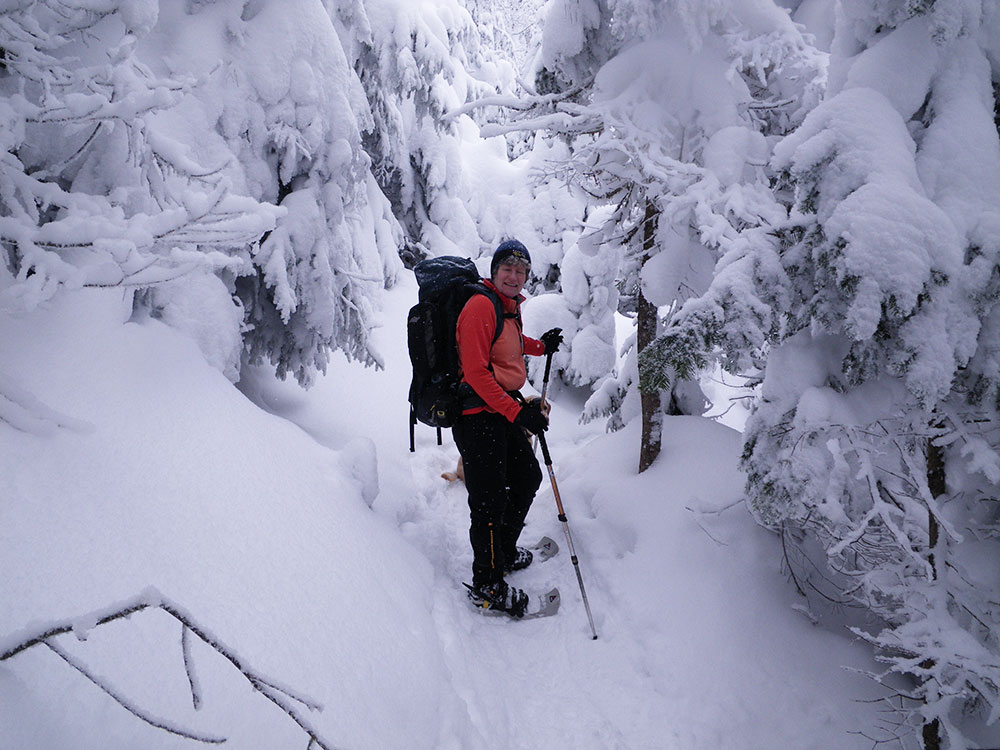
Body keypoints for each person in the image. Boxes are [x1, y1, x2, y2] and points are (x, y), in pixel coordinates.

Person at [454, 239, 563, 617]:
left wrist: (540, 347)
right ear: (494, 271)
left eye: (521, 271)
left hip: (500, 411)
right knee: (488, 500)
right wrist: (518, 414)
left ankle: (500, 551)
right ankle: (486, 584)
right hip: (477, 416)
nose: (515, 276)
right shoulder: (480, 306)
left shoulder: (508, 309)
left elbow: (509, 348)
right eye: (508, 269)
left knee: (526, 478)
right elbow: (476, 372)